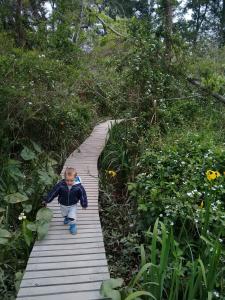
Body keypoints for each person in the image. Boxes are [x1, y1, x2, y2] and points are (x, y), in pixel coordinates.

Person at [43, 167, 88, 235]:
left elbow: (83, 196)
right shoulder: (61, 185)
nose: (69, 182)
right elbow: (53, 192)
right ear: (64, 178)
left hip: (73, 204)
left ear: (75, 178)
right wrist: (47, 200)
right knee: (64, 214)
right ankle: (66, 218)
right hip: (63, 204)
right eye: (67, 180)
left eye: (71, 180)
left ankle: (73, 226)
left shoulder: (79, 187)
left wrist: (84, 204)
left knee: (72, 216)